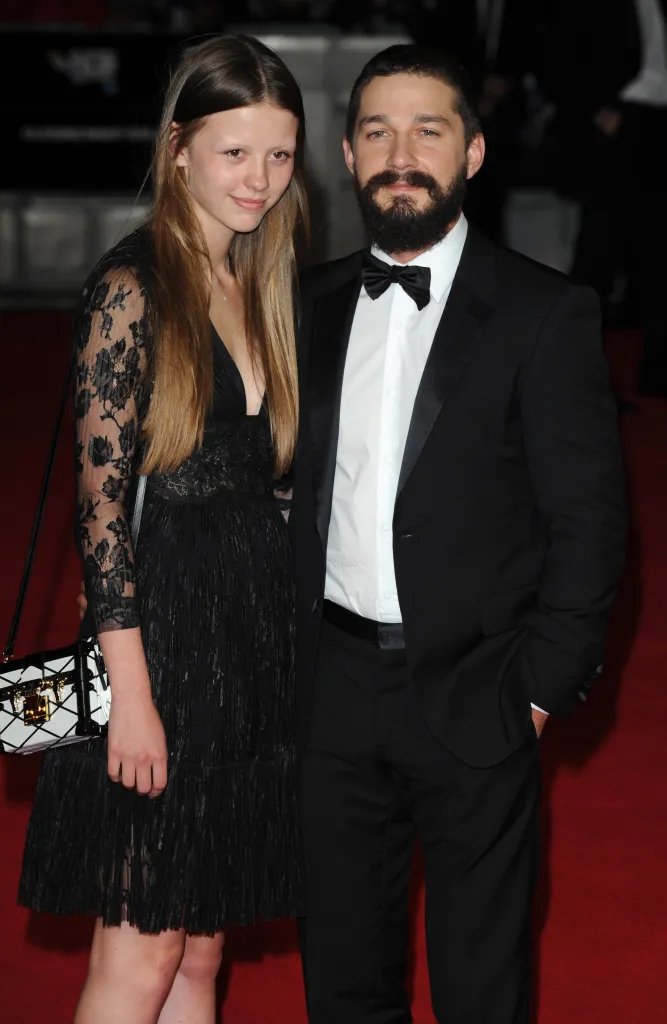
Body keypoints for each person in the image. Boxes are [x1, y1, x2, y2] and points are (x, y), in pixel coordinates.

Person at [290, 44, 627, 1023]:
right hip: (331, 692)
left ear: (472, 152)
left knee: (483, 986)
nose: (402, 154)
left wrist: (538, 689)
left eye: (427, 130)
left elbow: (589, 519)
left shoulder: (544, 310)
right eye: (377, 132)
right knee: (343, 976)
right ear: (347, 155)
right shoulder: (302, 303)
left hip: (483, 687)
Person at [18, 33, 308, 1024]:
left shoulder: (259, 277)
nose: (259, 179)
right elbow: (99, 516)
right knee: (141, 948)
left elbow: (255, 475)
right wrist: (132, 700)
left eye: (279, 154)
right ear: (178, 145)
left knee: (200, 947)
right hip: (165, 644)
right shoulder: (132, 286)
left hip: (247, 642)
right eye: (235, 152)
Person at [542, 0, 667, 397]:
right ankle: (577, 379)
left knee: (658, 256)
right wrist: (595, 111)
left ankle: (656, 372)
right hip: (619, 123)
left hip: (658, 123)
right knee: (600, 253)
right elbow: (557, 58)